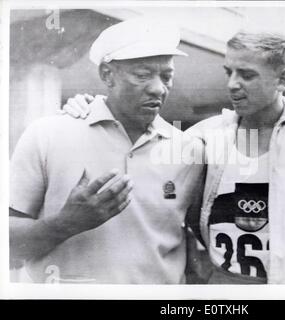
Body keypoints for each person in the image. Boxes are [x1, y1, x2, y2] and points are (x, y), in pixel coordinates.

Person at [63, 31, 285, 284]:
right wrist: (90, 107)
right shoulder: (206, 136)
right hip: (225, 290)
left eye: (246, 75)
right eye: (228, 72)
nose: (233, 85)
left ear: (284, 80)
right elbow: (144, 156)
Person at [9, 19, 204, 284]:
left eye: (166, 76)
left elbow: (195, 237)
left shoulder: (190, 150)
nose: (159, 88)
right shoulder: (47, 134)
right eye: (143, 74)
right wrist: (66, 223)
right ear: (107, 75)